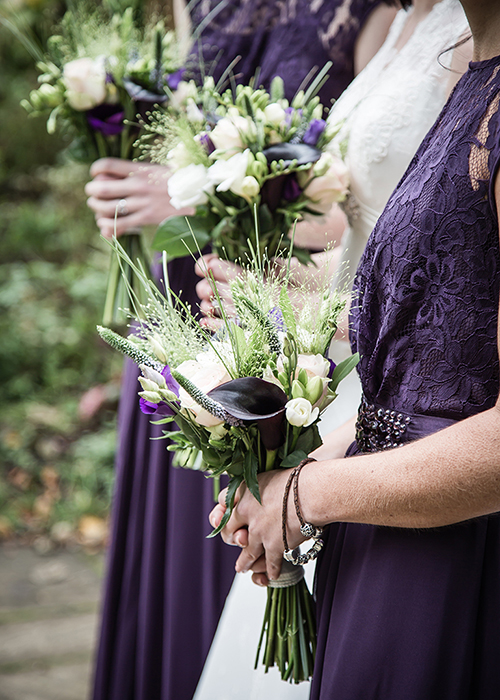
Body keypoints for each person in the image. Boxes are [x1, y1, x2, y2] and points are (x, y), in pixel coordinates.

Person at [85, 2, 398, 699]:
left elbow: (365, 201)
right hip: (186, 301)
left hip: (281, 317)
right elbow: (178, 136)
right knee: (177, 539)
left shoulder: (372, 13)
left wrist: (203, 204)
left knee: (248, 527)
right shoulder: (195, 6)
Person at [211, 0, 500, 697]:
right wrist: (290, 484)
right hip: (389, 514)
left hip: (457, 551)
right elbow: (429, 363)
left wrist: (312, 492)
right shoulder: (474, 74)